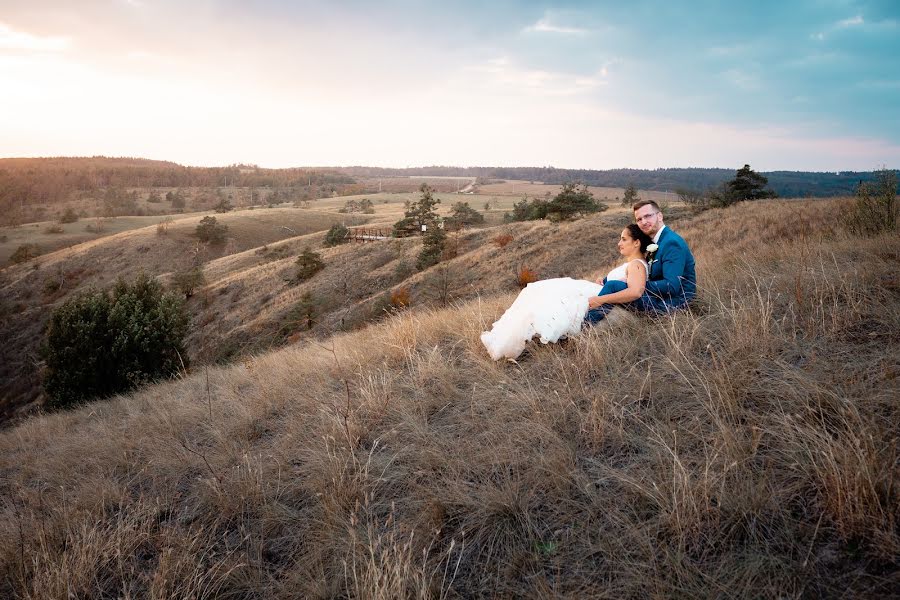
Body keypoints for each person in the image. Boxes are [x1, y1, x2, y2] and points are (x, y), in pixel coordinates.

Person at [480, 224, 652, 361]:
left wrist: (601, 299)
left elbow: (636, 292)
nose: (619, 243)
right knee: (540, 290)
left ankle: (535, 337)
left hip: (600, 297)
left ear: (636, 243)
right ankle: (524, 335)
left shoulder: (637, 264)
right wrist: (604, 281)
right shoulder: (633, 263)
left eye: (624, 239)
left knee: (545, 293)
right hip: (597, 290)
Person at [585, 199, 696, 322]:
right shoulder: (655, 242)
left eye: (648, 216)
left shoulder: (671, 242)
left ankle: (584, 328)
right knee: (612, 285)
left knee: (614, 286)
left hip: (673, 304)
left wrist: (637, 284)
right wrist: (607, 279)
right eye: (639, 219)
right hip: (659, 298)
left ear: (660, 216)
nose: (643, 222)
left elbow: (672, 286)